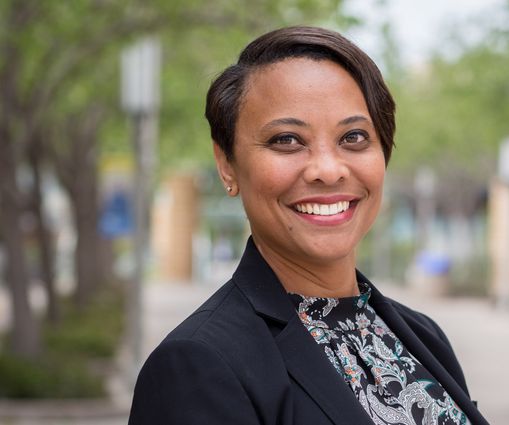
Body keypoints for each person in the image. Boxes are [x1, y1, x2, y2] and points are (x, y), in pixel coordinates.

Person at [129, 26, 489, 425]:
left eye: (353, 137)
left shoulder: (423, 337)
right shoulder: (197, 365)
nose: (328, 170)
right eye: (287, 140)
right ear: (226, 163)